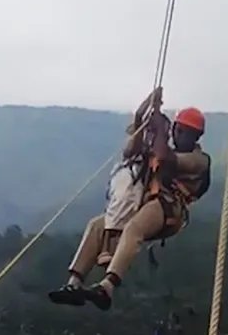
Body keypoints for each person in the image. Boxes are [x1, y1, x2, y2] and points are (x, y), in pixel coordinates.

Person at [49, 93, 210, 310]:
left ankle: (107, 286)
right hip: (150, 202)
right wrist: (144, 115)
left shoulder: (198, 160)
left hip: (170, 208)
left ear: (196, 136)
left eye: (185, 132)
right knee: (97, 225)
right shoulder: (166, 148)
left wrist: (160, 130)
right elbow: (133, 151)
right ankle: (74, 282)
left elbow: (165, 158)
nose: (180, 135)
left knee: (134, 227)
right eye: (178, 130)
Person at [98, 88, 163, 266]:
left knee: (122, 210)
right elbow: (140, 114)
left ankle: (111, 248)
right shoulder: (135, 146)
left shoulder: (145, 151)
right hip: (127, 178)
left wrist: (156, 106)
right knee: (120, 205)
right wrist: (152, 99)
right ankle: (107, 248)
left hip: (132, 179)